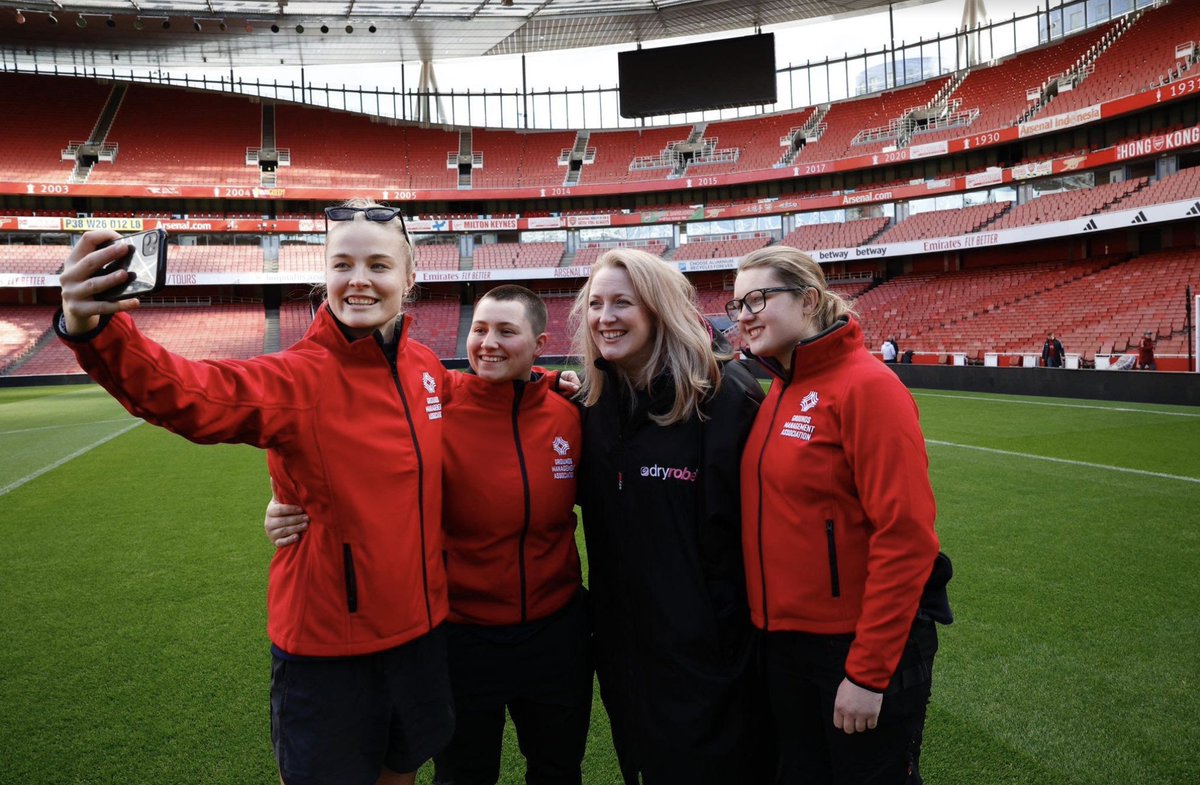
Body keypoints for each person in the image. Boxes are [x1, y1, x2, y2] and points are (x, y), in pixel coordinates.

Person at [55, 200, 454, 785]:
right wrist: (95, 330)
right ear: (325, 275)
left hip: (419, 636)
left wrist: (549, 384)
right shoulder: (298, 376)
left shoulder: (425, 367)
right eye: (342, 265)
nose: (359, 281)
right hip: (329, 651)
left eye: (378, 265)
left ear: (409, 278)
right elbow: (191, 395)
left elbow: (472, 401)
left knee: (402, 770)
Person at [266, 285, 593, 785]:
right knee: (464, 773)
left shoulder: (571, 411)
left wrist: (561, 384)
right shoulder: (437, 406)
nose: (488, 342)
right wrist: (286, 500)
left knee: (558, 768)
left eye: (506, 331)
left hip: (556, 634)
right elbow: (352, 444)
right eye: (480, 329)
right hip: (462, 636)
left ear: (541, 342)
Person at [728, 246, 945, 785]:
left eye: (759, 298)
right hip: (784, 647)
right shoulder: (779, 386)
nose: (745, 314)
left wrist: (869, 674)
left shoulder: (867, 386)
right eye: (737, 304)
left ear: (808, 300)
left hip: (852, 648)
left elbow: (906, 537)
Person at [571, 248, 771, 785]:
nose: (604, 317)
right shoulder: (590, 406)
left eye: (622, 303)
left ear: (659, 310)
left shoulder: (726, 399)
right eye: (595, 304)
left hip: (713, 660)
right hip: (625, 657)